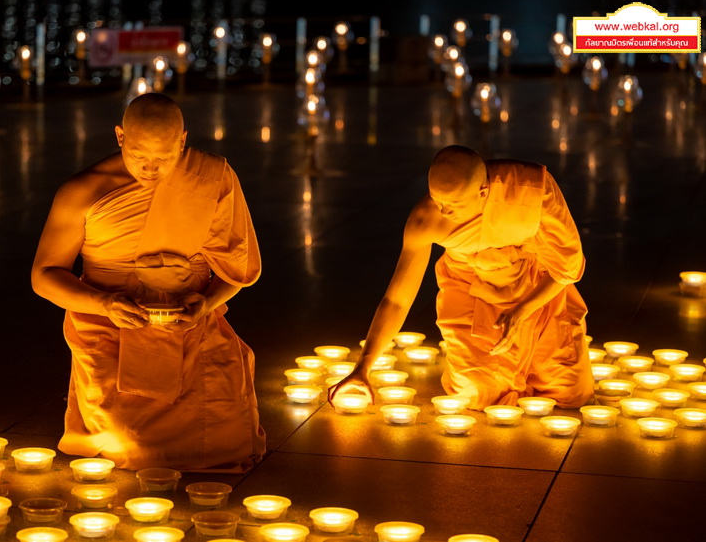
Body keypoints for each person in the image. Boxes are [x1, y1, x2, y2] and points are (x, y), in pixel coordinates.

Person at [31, 93, 265, 472]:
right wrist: (105, 305)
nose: (151, 169)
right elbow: (44, 276)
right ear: (120, 136)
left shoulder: (209, 177)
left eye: (164, 157)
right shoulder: (82, 191)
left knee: (225, 438)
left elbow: (235, 269)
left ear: (183, 141)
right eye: (140, 155)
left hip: (192, 324)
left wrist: (205, 303)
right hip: (109, 331)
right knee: (126, 445)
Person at [330, 145, 594, 410]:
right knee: (475, 394)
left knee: (569, 393)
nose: (444, 211)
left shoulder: (531, 190)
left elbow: (567, 267)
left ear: (483, 192)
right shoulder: (426, 219)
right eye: (438, 200)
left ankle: (533, 365)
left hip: (536, 284)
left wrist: (521, 310)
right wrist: (363, 367)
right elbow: (397, 300)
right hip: (470, 284)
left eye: (454, 204)